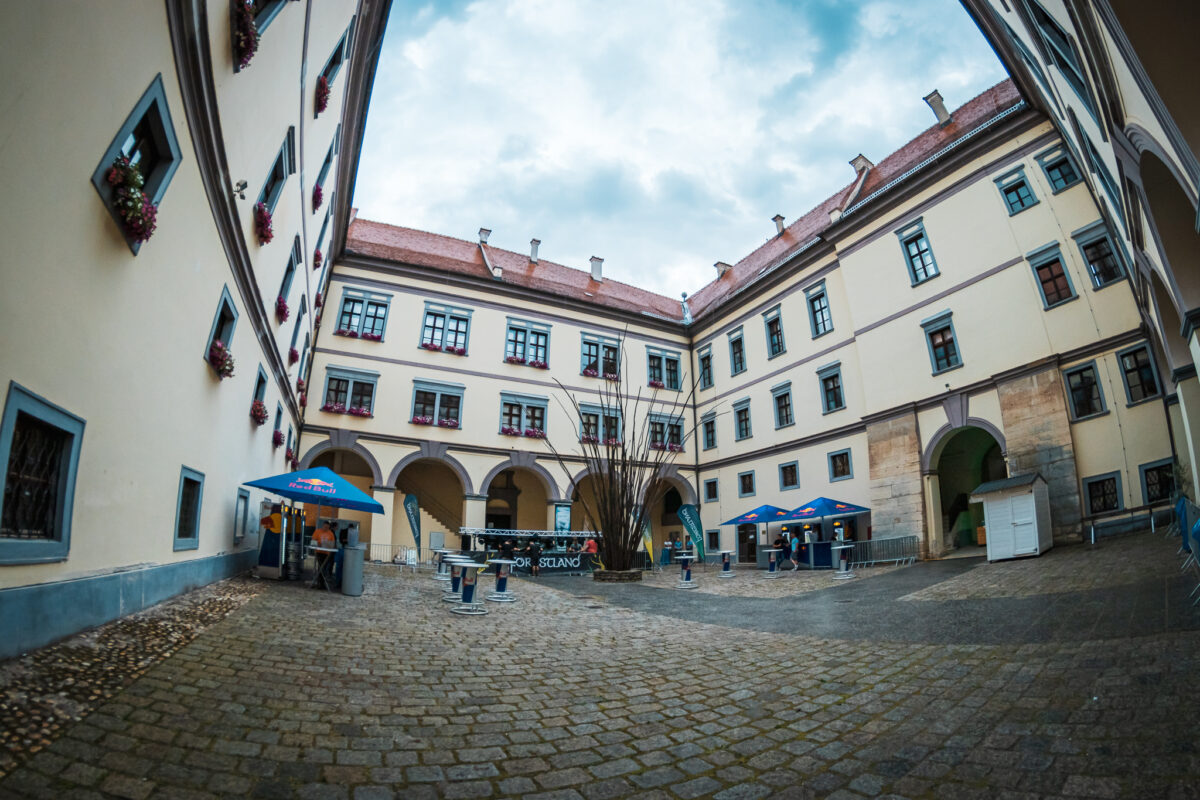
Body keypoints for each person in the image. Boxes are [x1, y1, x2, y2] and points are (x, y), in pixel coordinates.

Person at [310, 521, 337, 589]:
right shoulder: (317, 532)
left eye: (327, 527)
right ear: (323, 526)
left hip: (326, 553)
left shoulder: (331, 533)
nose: (326, 528)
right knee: (321, 567)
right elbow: (313, 541)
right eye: (325, 527)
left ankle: (321, 583)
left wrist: (329, 545)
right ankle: (320, 583)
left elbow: (333, 543)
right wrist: (318, 544)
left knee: (323, 567)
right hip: (319, 552)